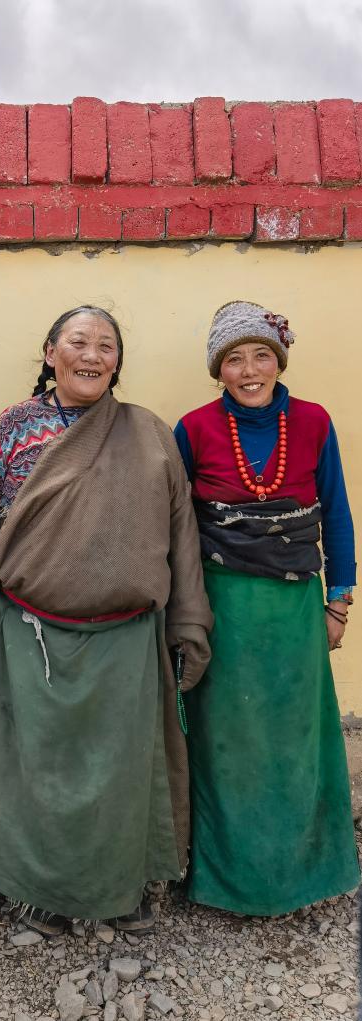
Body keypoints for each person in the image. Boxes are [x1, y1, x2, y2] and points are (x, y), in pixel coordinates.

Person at [0, 305, 213, 935]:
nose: (92, 355)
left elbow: (182, 534)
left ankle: (121, 886)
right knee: (35, 770)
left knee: (120, 771)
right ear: (51, 353)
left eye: (106, 345)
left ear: (117, 362)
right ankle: (38, 891)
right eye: (78, 341)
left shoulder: (148, 433)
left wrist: (188, 621)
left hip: (126, 638)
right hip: (27, 632)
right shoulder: (14, 427)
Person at [174, 300, 359, 916]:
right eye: (234, 359)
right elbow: (177, 528)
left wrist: (338, 602)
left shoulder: (313, 422)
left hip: (295, 607)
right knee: (227, 740)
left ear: (278, 361)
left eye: (261, 355)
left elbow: (336, 512)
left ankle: (303, 872)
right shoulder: (193, 429)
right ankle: (226, 879)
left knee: (296, 738)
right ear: (217, 369)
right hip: (224, 608)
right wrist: (184, 614)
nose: (249, 370)